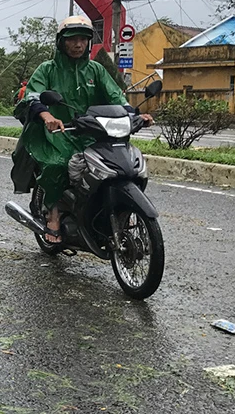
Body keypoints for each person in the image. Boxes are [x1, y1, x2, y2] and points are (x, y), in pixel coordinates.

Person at [13, 15, 153, 244]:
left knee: (123, 165)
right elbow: (33, 96)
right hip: (58, 133)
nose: (78, 44)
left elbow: (116, 97)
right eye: (72, 39)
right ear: (61, 42)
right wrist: (47, 116)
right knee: (58, 164)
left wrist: (135, 115)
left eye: (83, 39)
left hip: (93, 132)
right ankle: (53, 215)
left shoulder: (96, 70)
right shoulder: (47, 69)